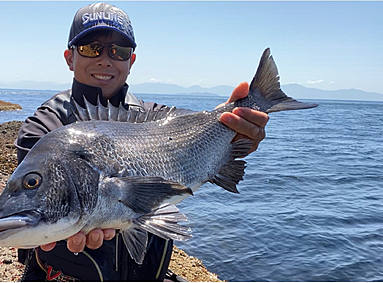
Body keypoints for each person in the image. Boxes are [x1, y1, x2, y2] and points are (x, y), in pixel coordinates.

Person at [14, 2, 269, 281]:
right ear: (69, 57)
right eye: (90, 48)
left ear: (131, 61)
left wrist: (235, 134)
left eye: (118, 51)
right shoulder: (44, 126)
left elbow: (194, 139)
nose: (105, 59)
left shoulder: (154, 117)